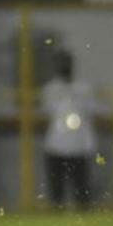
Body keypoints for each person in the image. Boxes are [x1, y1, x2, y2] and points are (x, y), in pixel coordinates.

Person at [41, 50, 98, 209]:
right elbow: (47, 110)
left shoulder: (84, 88)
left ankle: (84, 218)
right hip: (56, 145)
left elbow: (92, 110)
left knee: (82, 189)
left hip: (80, 145)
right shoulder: (50, 88)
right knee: (56, 191)